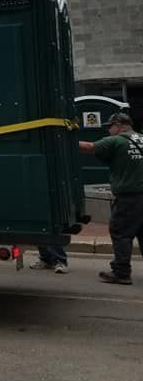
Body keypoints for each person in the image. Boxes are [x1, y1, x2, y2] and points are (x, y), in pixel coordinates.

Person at [79, 112, 143, 285]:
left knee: (121, 232)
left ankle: (121, 272)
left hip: (129, 198)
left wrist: (63, 140)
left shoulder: (116, 140)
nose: (109, 130)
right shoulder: (141, 138)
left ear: (119, 126)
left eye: (110, 127)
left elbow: (88, 147)